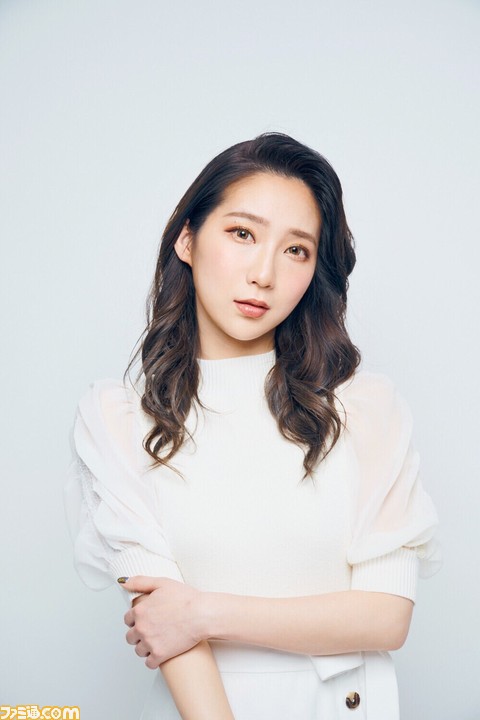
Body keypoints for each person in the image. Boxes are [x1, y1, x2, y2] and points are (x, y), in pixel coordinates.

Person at [64, 132, 441, 720]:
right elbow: (166, 629)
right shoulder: (118, 420)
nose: (264, 273)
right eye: (242, 234)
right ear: (187, 239)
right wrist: (185, 622)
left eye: (296, 250)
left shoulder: (365, 410)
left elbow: (386, 616)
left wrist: (202, 613)